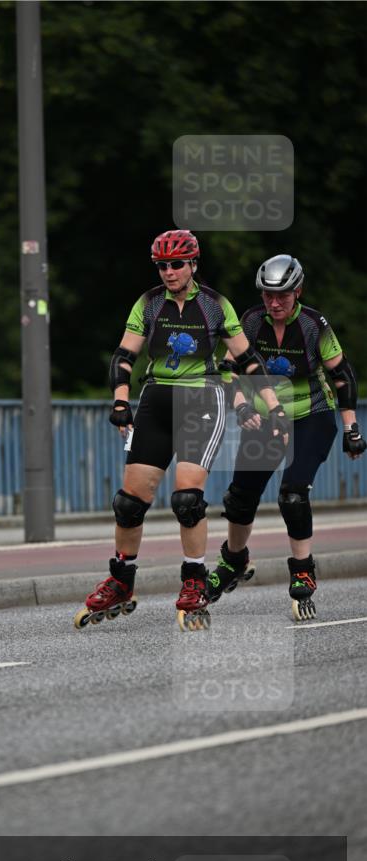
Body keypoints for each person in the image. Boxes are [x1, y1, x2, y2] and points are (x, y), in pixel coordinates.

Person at [73, 229, 289, 632]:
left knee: (187, 500)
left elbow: (249, 360)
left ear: (192, 264)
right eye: (162, 265)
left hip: (202, 399)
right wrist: (120, 400)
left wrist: (274, 408)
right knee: (128, 503)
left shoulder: (214, 305)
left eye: (176, 264)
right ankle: (121, 581)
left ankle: (194, 580)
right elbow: (123, 355)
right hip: (156, 398)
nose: (168, 272)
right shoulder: (149, 303)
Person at [207, 253, 366, 620]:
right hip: (266, 416)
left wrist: (351, 427)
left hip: (312, 414)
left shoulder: (314, 325)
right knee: (239, 498)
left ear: (298, 292)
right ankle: (234, 561)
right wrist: (241, 406)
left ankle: (303, 571)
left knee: (292, 495)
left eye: (282, 295)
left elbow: (342, 375)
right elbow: (227, 369)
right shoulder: (250, 321)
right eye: (268, 295)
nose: (274, 303)